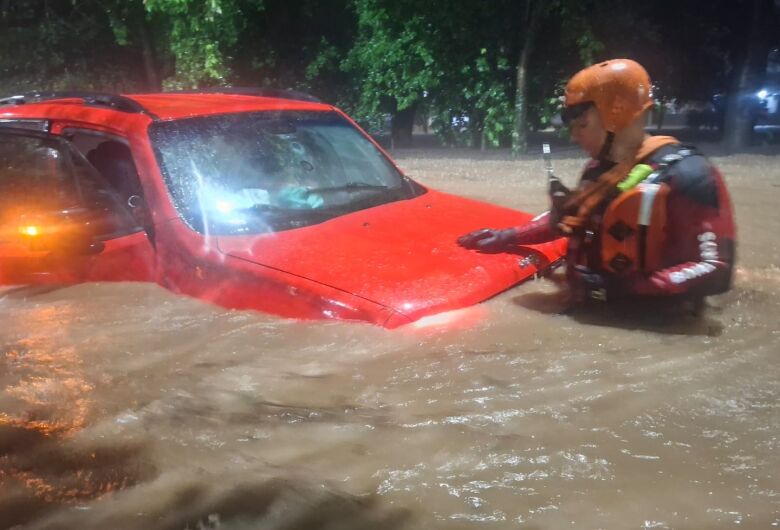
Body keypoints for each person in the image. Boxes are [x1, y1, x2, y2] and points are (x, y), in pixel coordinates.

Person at [458, 58, 736, 308]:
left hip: (655, 327)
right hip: (595, 309)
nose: (574, 137)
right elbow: (572, 221)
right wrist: (509, 237)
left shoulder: (690, 174)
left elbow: (715, 268)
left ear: (617, 114)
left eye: (582, 125)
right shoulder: (597, 170)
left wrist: (629, 288)